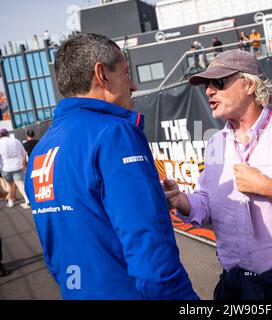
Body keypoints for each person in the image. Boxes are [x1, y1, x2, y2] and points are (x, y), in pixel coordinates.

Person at [24, 33, 198, 300]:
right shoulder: (114, 133)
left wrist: (143, 202)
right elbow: (148, 247)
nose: (133, 85)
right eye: (126, 73)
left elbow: (62, 239)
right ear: (102, 75)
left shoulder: (41, 151)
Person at [163, 50, 272, 300]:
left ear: (248, 85)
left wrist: (271, 188)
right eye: (207, 85)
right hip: (235, 285)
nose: (209, 91)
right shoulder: (215, 144)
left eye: (218, 83)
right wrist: (181, 200)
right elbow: (208, 205)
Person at [0, 129, 30, 208]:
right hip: (18, 165)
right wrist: (23, 164)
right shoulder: (16, 141)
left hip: (6, 167)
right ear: (7, 134)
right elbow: (23, 153)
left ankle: (10, 202)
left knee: (10, 185)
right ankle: (27, 200)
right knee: (20, 183)